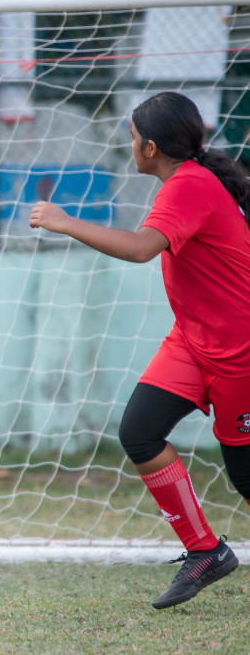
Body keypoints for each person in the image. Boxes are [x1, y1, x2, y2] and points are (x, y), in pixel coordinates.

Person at [30, 91, 250, 608]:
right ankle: (206, 552)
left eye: (131, 137)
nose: (129, 145)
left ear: (150, 147)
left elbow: (139, 249)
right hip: (194, 341)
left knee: (246, 477)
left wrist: (64, 222)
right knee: (140, 432)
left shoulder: (189, 185)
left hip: (239, 350)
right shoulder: (187, 181)